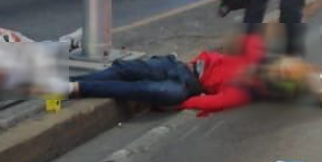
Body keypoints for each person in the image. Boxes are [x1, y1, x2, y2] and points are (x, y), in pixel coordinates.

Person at [70, 34, 265, 116]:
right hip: (180, 66)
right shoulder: (253, 56)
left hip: (186, 87)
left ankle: (76, 88)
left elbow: (211, 103)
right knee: (125, 68)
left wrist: (183, 103)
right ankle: (69, 85)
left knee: (139, 88)